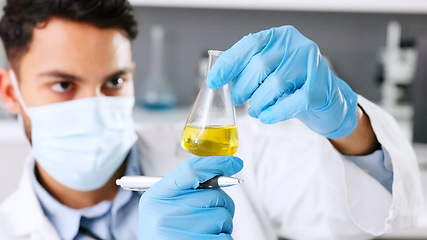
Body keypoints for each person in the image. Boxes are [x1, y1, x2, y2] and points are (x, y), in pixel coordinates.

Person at [0, 0, 422, 239]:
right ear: (9, 92)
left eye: (114, 80)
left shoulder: (239, 158)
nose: (94, 103)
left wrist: (347, 121)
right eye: (62, 85)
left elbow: (373, 212)